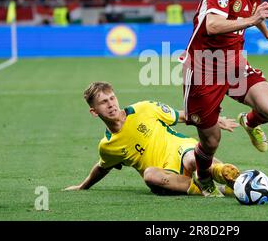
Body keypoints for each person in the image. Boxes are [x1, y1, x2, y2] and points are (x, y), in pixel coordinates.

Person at [180, 0, 268, 196]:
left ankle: (249, 123)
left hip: (234, 63)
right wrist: (252, 20)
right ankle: (204, 177)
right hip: (203, 67)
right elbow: (212, 26)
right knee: (211, 141)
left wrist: (267, 32)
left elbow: (252, 12)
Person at [64, 82, 240, 197]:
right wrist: (82, 186)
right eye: (103, 102)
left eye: (112, 98)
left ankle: (224, 173)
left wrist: (214, 119)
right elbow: (102, 167)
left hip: (181, 150)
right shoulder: (108, 146)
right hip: (166, 176)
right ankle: (213, 190)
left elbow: (181, 116)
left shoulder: (144, 108)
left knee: (192, 159)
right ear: (94, 112)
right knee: (149, 175)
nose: (111, 104)